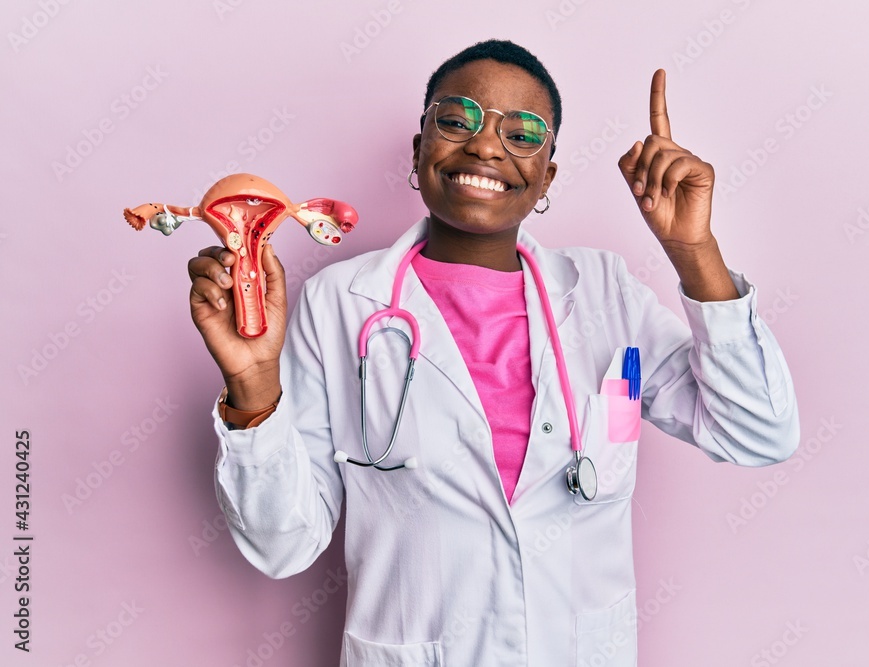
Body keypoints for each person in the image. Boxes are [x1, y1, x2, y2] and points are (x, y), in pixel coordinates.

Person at [187, 39, 799, 666]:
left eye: (523, 133)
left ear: (547, 178)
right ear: (419, 149)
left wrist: (694, 251)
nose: (484, 146)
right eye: (456, 121)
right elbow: (281, 543)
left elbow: (757, 432)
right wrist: (254, 385)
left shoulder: (604, 295)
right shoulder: (339, 304)